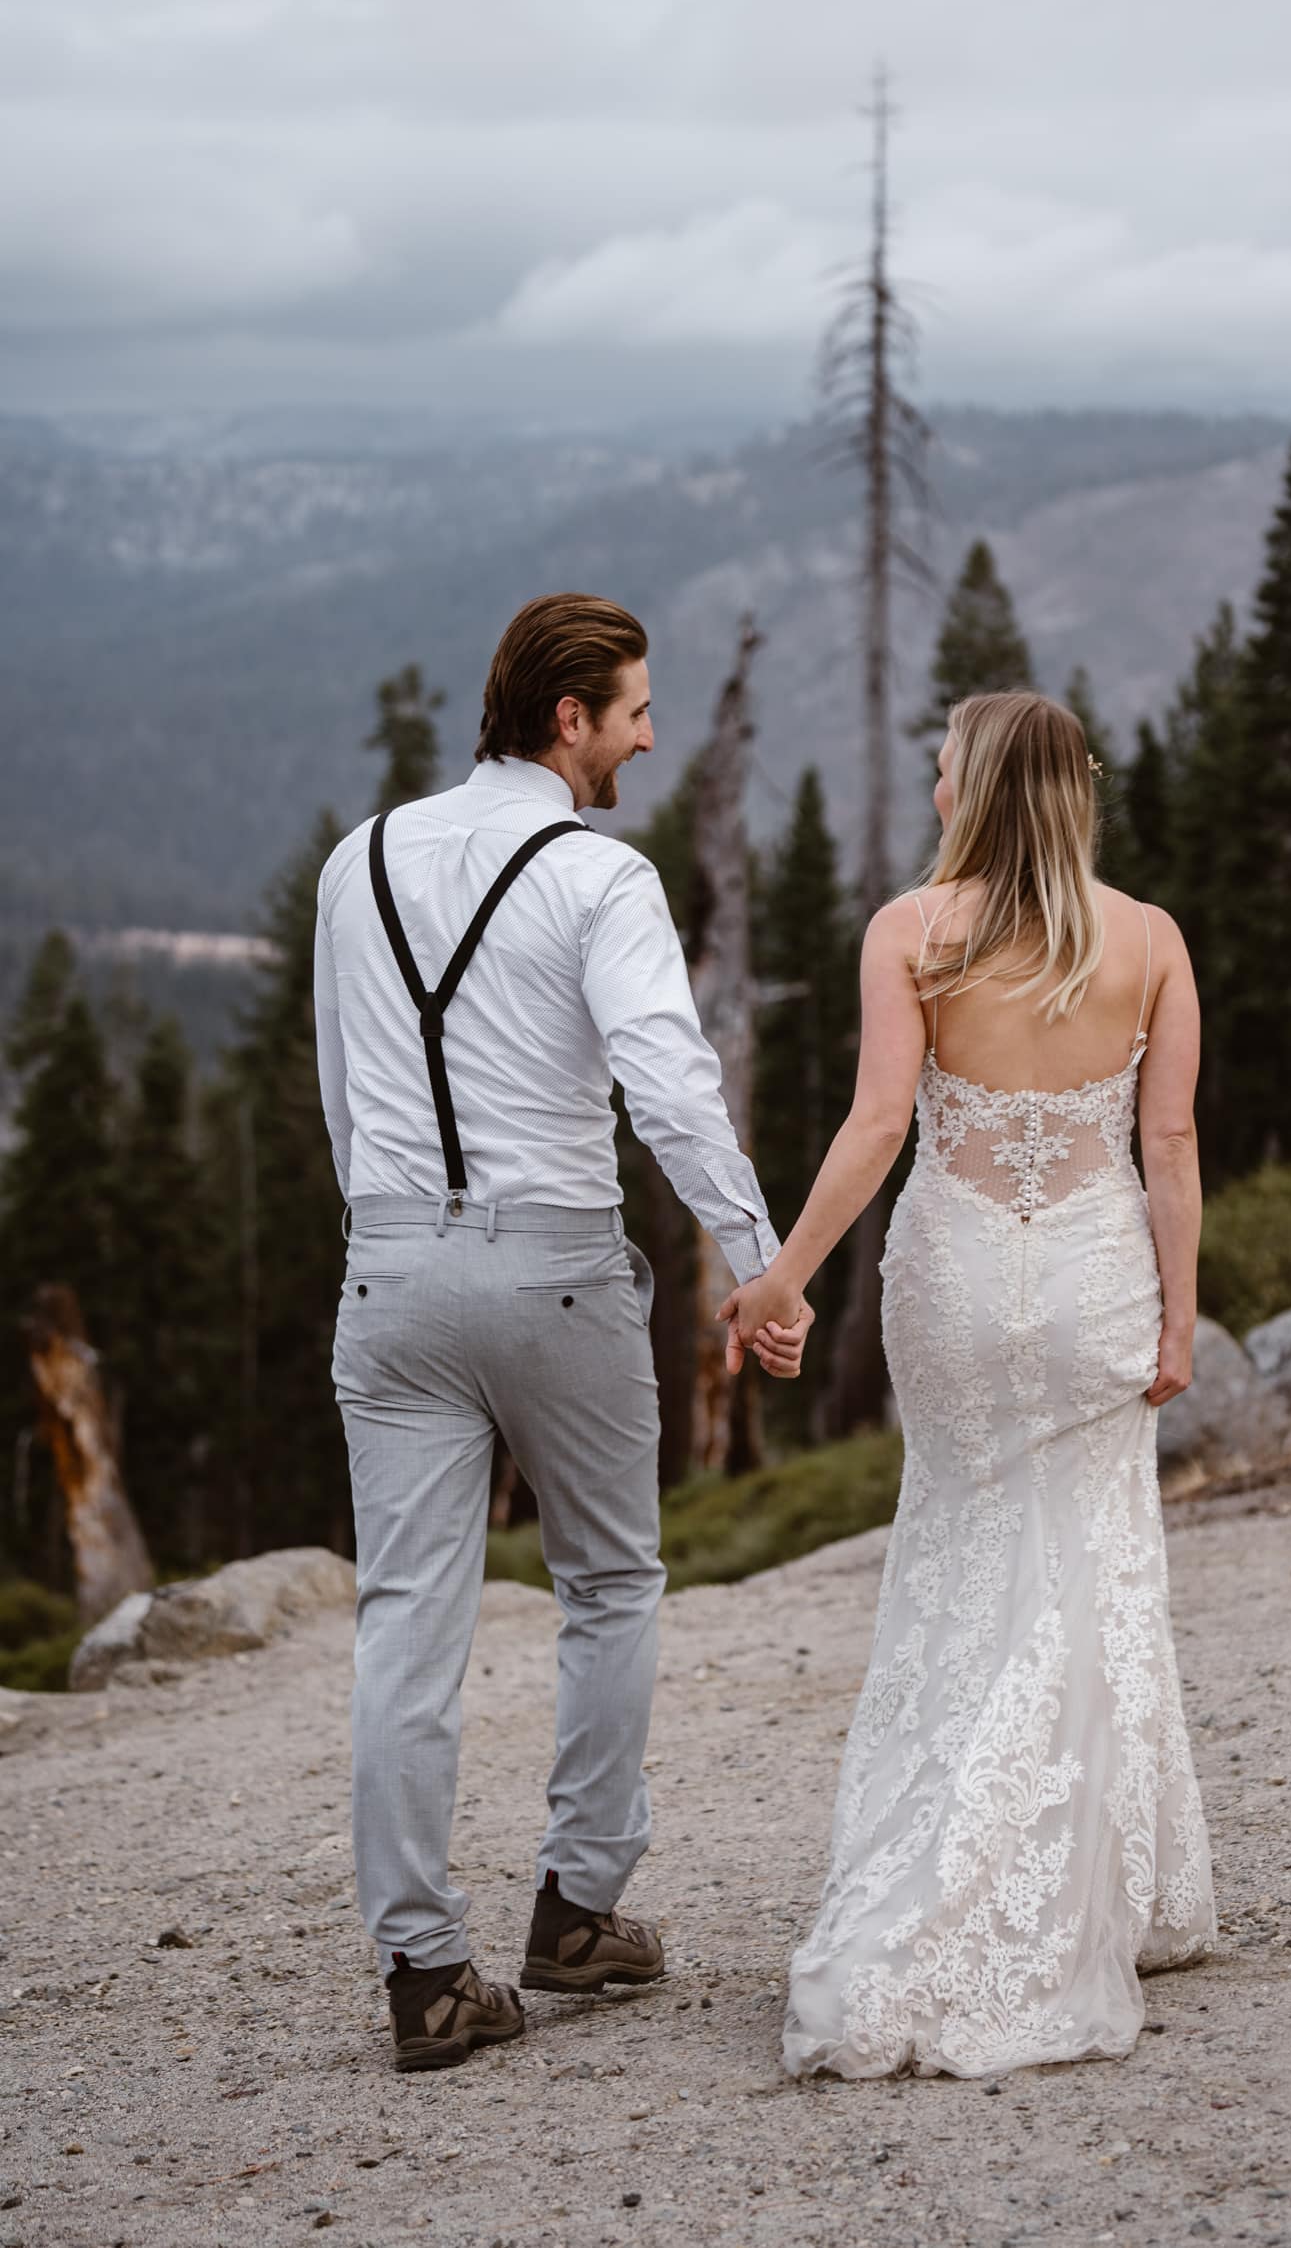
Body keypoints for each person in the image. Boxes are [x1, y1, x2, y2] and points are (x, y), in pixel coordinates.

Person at [315, 592, 811, 2073]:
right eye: (632, 711)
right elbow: (669, 1089)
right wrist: (763, 1259)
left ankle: (423, 1972)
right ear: (564, 719)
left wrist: (391, 1234)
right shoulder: (604, 879)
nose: (650, 734)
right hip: (560, 1275)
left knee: (408, 1617)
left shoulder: (359, 859)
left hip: (390, 1266)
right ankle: (577, 1907)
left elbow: (343, 1089)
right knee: (610, 1579)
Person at [721, 690, 1217, 2079]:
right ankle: (1110, 1883)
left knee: (956, 1547)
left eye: (945, 764)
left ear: (979, 787)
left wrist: (783, 1275)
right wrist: (1181, 1316)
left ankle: (939, 1869)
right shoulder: (1151, 940)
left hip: (949, 1285)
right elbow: (1167, 1141)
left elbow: (883, 1121)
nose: (936, 784)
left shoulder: (911, 931)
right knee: (1094, 1555)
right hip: (1094, 1278)